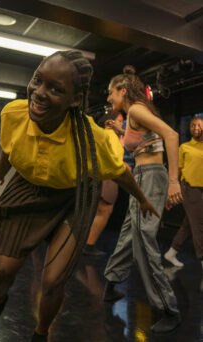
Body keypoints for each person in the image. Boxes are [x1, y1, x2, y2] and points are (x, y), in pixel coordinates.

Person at [0, 51, 159, 342]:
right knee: (2, 271)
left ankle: (41, 333)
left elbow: (120, 172)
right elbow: (10, 146)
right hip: (27, 189)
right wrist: (0, 171)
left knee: (52, 281)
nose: (39, 93)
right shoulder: (14, 113)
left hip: (74, 199)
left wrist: (142, 199)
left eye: (55, 89)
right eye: (38, 81)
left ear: (75, 99)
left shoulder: (93, 138)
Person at [103, 65, 183, 334]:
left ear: (122, 90)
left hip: (150, 176)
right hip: (143, 175)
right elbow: (140, 143)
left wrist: (173, 182)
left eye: (110, 93)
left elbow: (171, 135)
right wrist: (118, 128)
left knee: (143, 241)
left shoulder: (137, 109)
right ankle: (111, 284)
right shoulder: (133, 113)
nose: (108, 99)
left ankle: (168, 309)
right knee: (129, 233)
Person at [83, 111, 128, 256]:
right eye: (120, 121)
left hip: (100, 176)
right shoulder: (111, 136)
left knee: (96, 211)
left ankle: (84, 244)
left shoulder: (106, 135)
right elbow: (113, 159)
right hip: (108, 177)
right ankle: (88, 246)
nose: (122, 124)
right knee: (105, 211)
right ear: (110, 122)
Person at [164, 117, 203, 269]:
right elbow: (177, 170)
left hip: (201, 190)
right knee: (199, 225)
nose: (195, 127)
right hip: (189, 189)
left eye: (199, 125)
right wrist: (171, 191)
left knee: (189, 224)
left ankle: (171, 252)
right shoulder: (185, 147)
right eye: (192, 125)